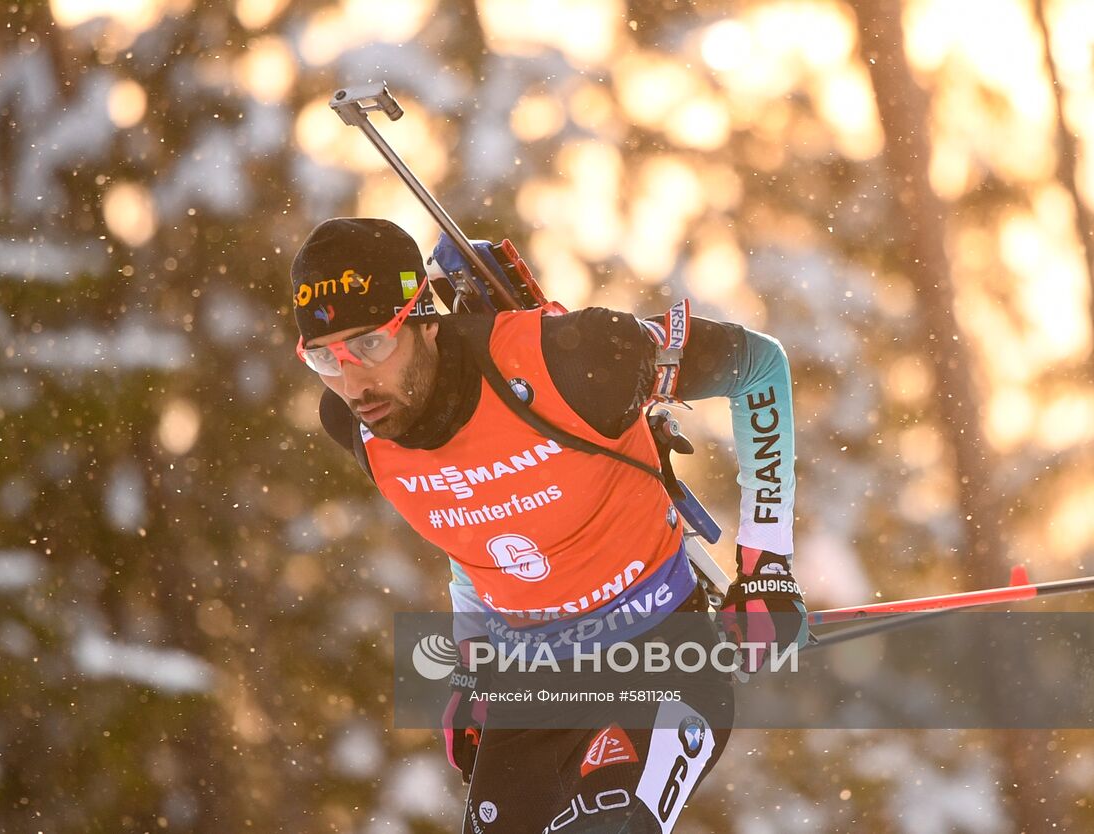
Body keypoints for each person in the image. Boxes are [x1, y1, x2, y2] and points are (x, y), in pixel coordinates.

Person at [290, 217, 806, 833]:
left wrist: (767, 565)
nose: (352, 382)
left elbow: (758, 367)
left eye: (371, 345)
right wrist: (474, 666)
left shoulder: (574, 361)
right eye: (324, 357)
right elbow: (469, 532)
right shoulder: (359, 427)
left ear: (425, 319)